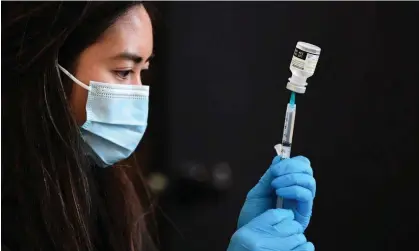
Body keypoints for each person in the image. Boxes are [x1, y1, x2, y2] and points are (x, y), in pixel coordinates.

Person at [2, 2, 317, 251]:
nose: (138, 93)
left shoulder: (103, 191)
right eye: (124, 71)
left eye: (144, 70)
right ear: (50, 72)